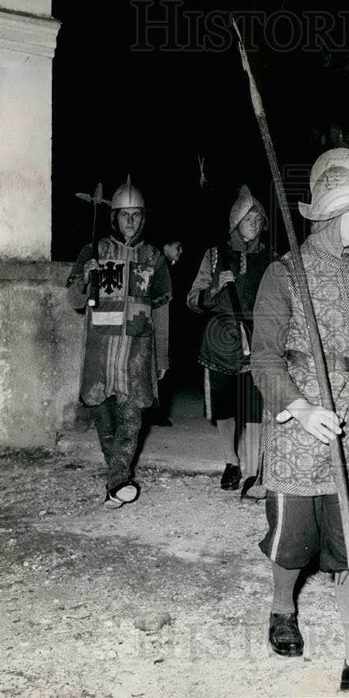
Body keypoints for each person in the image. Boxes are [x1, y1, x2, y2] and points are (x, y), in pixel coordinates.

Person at [249, 147, 349, 691]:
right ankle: (280, 608)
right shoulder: (285, 273)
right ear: (332, 213)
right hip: (302, 422)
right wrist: (296, 406)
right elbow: (265, 355)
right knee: (293, 537)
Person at [66, 175, 171, 508]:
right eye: (123, 214)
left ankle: (119, 482)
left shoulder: (154, 257)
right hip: (101, 355)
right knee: (106, 422)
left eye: (136, 214)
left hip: (136, 354)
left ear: (143, 217)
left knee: (130, 420)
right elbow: (75, 301)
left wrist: (163, 356)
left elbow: (162, 308)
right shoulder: (93, 250)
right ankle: (118, 477)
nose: (129, 220)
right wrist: (85, 277)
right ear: (113, 217)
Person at [187, 185, 274, 494]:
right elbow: (192, 300)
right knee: (224, 409)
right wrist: (213, 290)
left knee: (253, 408)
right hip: (220, 343)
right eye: (248, 217)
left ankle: (252, 472)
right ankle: (231, 462)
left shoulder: (271, 259)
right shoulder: (215, 255)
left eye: (258, 217)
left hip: (258, 342)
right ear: (235, 220)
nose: (254, 222)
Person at [145, 239, 185, 427]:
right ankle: (154, 413)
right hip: (156, 326)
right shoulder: (160, 265)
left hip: (169, 325)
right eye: (177, 247)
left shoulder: (169, 266)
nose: (181, 251)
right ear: (165, 246)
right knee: (158, 369)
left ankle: (157, 413)